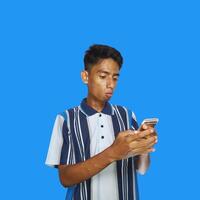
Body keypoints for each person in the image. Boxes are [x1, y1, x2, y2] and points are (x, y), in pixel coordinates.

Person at [45, 44, 158, 200]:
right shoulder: (66, 119)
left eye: (115, 77)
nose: (110, 84)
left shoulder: (126, 115)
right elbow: (65, 178)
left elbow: (142, 169)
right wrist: (113, 153)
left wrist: (145, 147)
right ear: (85, 77)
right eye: (103, 76)